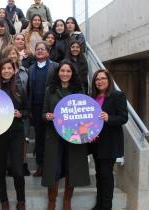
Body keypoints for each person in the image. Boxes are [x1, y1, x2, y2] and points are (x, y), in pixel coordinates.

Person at [42, 61, 90, 210]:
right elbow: (43, 113)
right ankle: (52, 201)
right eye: (62, 71)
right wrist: (47, 116)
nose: (65, 74)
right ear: (58, 72)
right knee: (53, 170)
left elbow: (86, 113)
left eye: (68, 71)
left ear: (72, 73)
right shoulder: (50, 89)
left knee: (72, 168)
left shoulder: (79, 90)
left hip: (73, 136)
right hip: (54, 135)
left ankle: (67, 201)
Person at [89, 69, 128, 210]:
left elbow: (124, 117)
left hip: (109, 143)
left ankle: (106, 206)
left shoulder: (117, 95)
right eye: (97, 79)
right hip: (95, 143)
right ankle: (99, 204)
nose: (99, 81)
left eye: (102, 78)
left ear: (108, 80)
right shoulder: (92, 97)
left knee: (106, 175)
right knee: (99, 175)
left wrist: (109, 118)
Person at [0, 58, 27, 210]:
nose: (6, 71)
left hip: (16, 133)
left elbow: (28, 110)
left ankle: (21, 201)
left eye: (9, 68)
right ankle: (4, 202)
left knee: (18, 171)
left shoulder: (20, 88)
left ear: (14, 70)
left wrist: (21, 113)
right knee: (0, 170)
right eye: (3, 68)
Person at [28, 41, 58, 177]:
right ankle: (40, 165)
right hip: (36, 108)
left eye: (42, 49)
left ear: (48, 52)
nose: (39, 51)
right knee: (39, 138)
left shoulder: (56, 67)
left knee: (52, 137)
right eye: (37, 49)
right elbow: (29, 90)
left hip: (52, 108)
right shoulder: (30, 69)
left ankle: (52, 166)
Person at [0, 45, 31, 176]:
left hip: (19, 111)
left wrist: (22, 112)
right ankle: (8, 165)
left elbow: (27, 93)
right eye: (10, 53)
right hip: (3, 117)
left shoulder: (24, 70)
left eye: (15, 53)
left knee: (23, 139)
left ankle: (22, 165)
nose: (13, 55)